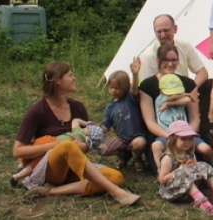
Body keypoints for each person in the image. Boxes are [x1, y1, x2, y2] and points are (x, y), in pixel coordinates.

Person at [12, 61, 139, 205]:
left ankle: (49, 191)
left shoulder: (77, 108)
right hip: (50, 169)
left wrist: (84, 146)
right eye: (70, 75)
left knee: (116, 177)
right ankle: (117, 193)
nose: (74, 78)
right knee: (66, 145)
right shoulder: (37, 112)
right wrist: (56, 144)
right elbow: (18, 151)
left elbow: (86, 143)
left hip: (73, 168)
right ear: (58, 81)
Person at [139, 44, 212, 173]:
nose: (170, 64)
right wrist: (170, 137)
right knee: (158, 151)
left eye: (173, 60)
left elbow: (195, 117)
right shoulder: (147, 85)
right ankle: (163, 175)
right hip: (162, 133)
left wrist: (187, 136)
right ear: (158, 60)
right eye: (165, 60)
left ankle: (210, 170)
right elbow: (149, 121)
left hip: (186, 132)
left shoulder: (188, 83)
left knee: (205, 150)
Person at [158, 121, 213, 214]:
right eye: (183, 138)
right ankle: (200, 200)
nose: (187, 142)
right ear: (173, 139)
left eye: (190, 139)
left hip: (191, 187)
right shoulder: (167, 158)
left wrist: (194, 166)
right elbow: (162, 180)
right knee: (183, 172)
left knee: (203, 165)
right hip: (173, 191)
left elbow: (197, 169)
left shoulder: (190, 154)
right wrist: (179, 169)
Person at [11, 118, 105, 186]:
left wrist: (86, 123)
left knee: (32, 147)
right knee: (35, 163)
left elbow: (75, 120)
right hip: (54, 149)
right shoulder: (82, 145)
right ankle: (18, 176)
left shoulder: (78, 131)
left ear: (87, 131)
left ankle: (21, 164)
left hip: (50, 139)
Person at [98, 60, 147, 173]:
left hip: (136, 137)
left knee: (140, 143)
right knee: (102, 149)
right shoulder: (110, 107)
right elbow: (106, 125)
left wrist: (135, 74)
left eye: (117, 88)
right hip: (121, 138)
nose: (113, 90)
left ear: (124, 87)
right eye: (111, 87)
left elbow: (135, 89)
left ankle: (137, 159)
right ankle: (123, 156)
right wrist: (97, 131)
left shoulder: (130, 98)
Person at [139, 14, 209, 87]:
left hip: (185, 90)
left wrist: (192, 90)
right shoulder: (147, 56)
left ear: (175, 29)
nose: (163, 35)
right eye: (159, 32)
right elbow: (148, 88)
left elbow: (202, 72)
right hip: (162, 94)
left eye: (166, 30)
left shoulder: (184, 45)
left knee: (209, 84)